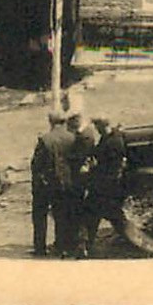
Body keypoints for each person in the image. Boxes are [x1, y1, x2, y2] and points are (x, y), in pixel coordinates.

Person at [54, 110, 97, 258]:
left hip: (80, 181)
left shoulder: (84, 136)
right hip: (82, 180)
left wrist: (67, 157)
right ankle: (80, 244)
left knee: (77, 212)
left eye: (70, 123)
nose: (68, 126)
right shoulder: (87, 133)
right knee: (78, 213)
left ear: (76, 121)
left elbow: (80, 157)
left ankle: (80, 245)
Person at [84, 118, 128, 255]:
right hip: (105, 184)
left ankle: (87, 246)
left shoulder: (113, 142)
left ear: (103, 125)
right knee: (112, 214)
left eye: (97, 126)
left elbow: (110, 165)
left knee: (94, 213)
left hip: (106, 184)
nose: (96, 129)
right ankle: (129, 237)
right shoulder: (109, 137)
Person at [30, 110, 70, 257]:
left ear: (50, 122)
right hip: (64, 183)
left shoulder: (45, 139)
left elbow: (36, 164)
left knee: (40, 215)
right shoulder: (71, 138)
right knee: (61, 215)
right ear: (64, 122)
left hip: (45, 184)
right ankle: (61, 246)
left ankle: (40, 248)